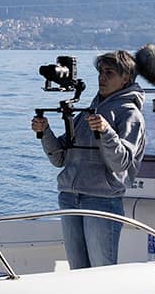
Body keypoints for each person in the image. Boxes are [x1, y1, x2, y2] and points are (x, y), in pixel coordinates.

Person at [31, 50, 146, 267]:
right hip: (69, 198)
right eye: (101, 72)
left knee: (101, 272)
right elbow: (60, 159)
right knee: (78, 271)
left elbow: (120, 164)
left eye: (109, 73)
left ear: (126, 78)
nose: (102, 78)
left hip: (101, 200)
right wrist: (45, 132)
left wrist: (106, 131)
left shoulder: (130, 115)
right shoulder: (87, 113)